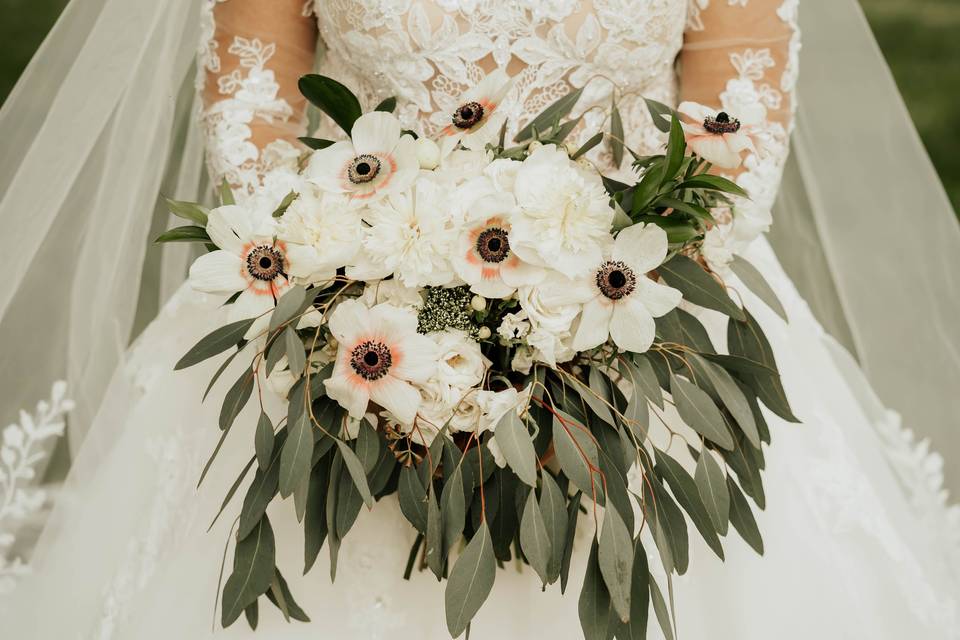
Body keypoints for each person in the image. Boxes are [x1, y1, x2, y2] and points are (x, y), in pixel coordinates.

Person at [1, 0, 958, 638]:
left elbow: (734, 123)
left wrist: (576, 321)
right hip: (345, 314)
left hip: (641, 311)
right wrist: (364, 296)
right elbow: (257, 101)